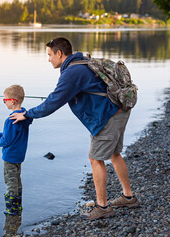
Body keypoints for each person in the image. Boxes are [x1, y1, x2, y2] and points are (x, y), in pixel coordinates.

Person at [10, 37, 139, 220]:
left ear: (59, 53)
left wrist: (27, 114)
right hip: (118, 110)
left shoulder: (71, 73)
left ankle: (103, 207)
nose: (48, 59)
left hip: (108, 115)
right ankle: (128, 197)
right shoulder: (81, 62)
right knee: (114, 154)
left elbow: (52, 102)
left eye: (49, 55)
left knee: (95, 158)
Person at [0, 84, 33, 216]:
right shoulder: (24, 116)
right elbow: (13, 134)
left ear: (12, 101)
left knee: (10, 181)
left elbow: (7, 141)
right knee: (17, 180)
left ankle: (12, 210)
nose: (4, 102)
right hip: (19, 155)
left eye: (4, 100)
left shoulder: (10, 119)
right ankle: (18, 207)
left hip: (10, 156)